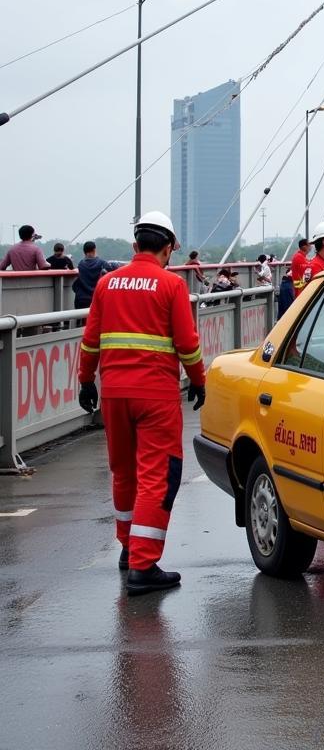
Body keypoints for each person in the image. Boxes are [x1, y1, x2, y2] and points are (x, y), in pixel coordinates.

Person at [77, 210, 205, 596]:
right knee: (157, 476)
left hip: (114, 393)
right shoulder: (171, 286)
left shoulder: (107, 284)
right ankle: (143, 565)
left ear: (135, 246)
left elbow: (90, 339)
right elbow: (187, 343)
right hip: (156, 396)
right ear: (167, 249)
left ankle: (128, 547)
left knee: (123, 471)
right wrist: (199, 380)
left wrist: (86, 380)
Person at [73, 241, 115, 311]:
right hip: (95, 298)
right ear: (94, 250)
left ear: (84, 252)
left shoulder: (81, 264)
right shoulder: (102, 263)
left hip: (81, 299)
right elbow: (111, 271)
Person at [278, 237, 310, 319]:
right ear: (304, 247)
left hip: (289, 285)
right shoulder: (299, 257)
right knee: (290, 315)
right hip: (289, 286)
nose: (311, 246)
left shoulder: (301, 257)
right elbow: (305, 274)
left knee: (286, 314)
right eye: (309, 244)